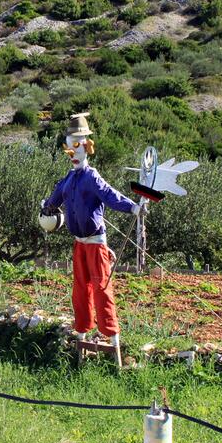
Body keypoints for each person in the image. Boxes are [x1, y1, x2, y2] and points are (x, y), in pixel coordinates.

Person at [40, 113, 141, 345]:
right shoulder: (67, 179)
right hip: (79, 244)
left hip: (96, 243)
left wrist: (133, 208)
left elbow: (111, 196)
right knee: (80, 290)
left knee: (101, 289)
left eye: (77, 146)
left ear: (87, 146)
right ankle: (82, 333)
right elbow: (54, 200)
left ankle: (113, 336)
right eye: (68, 149)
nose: (73, 153)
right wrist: (45, 208)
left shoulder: (91, 177)